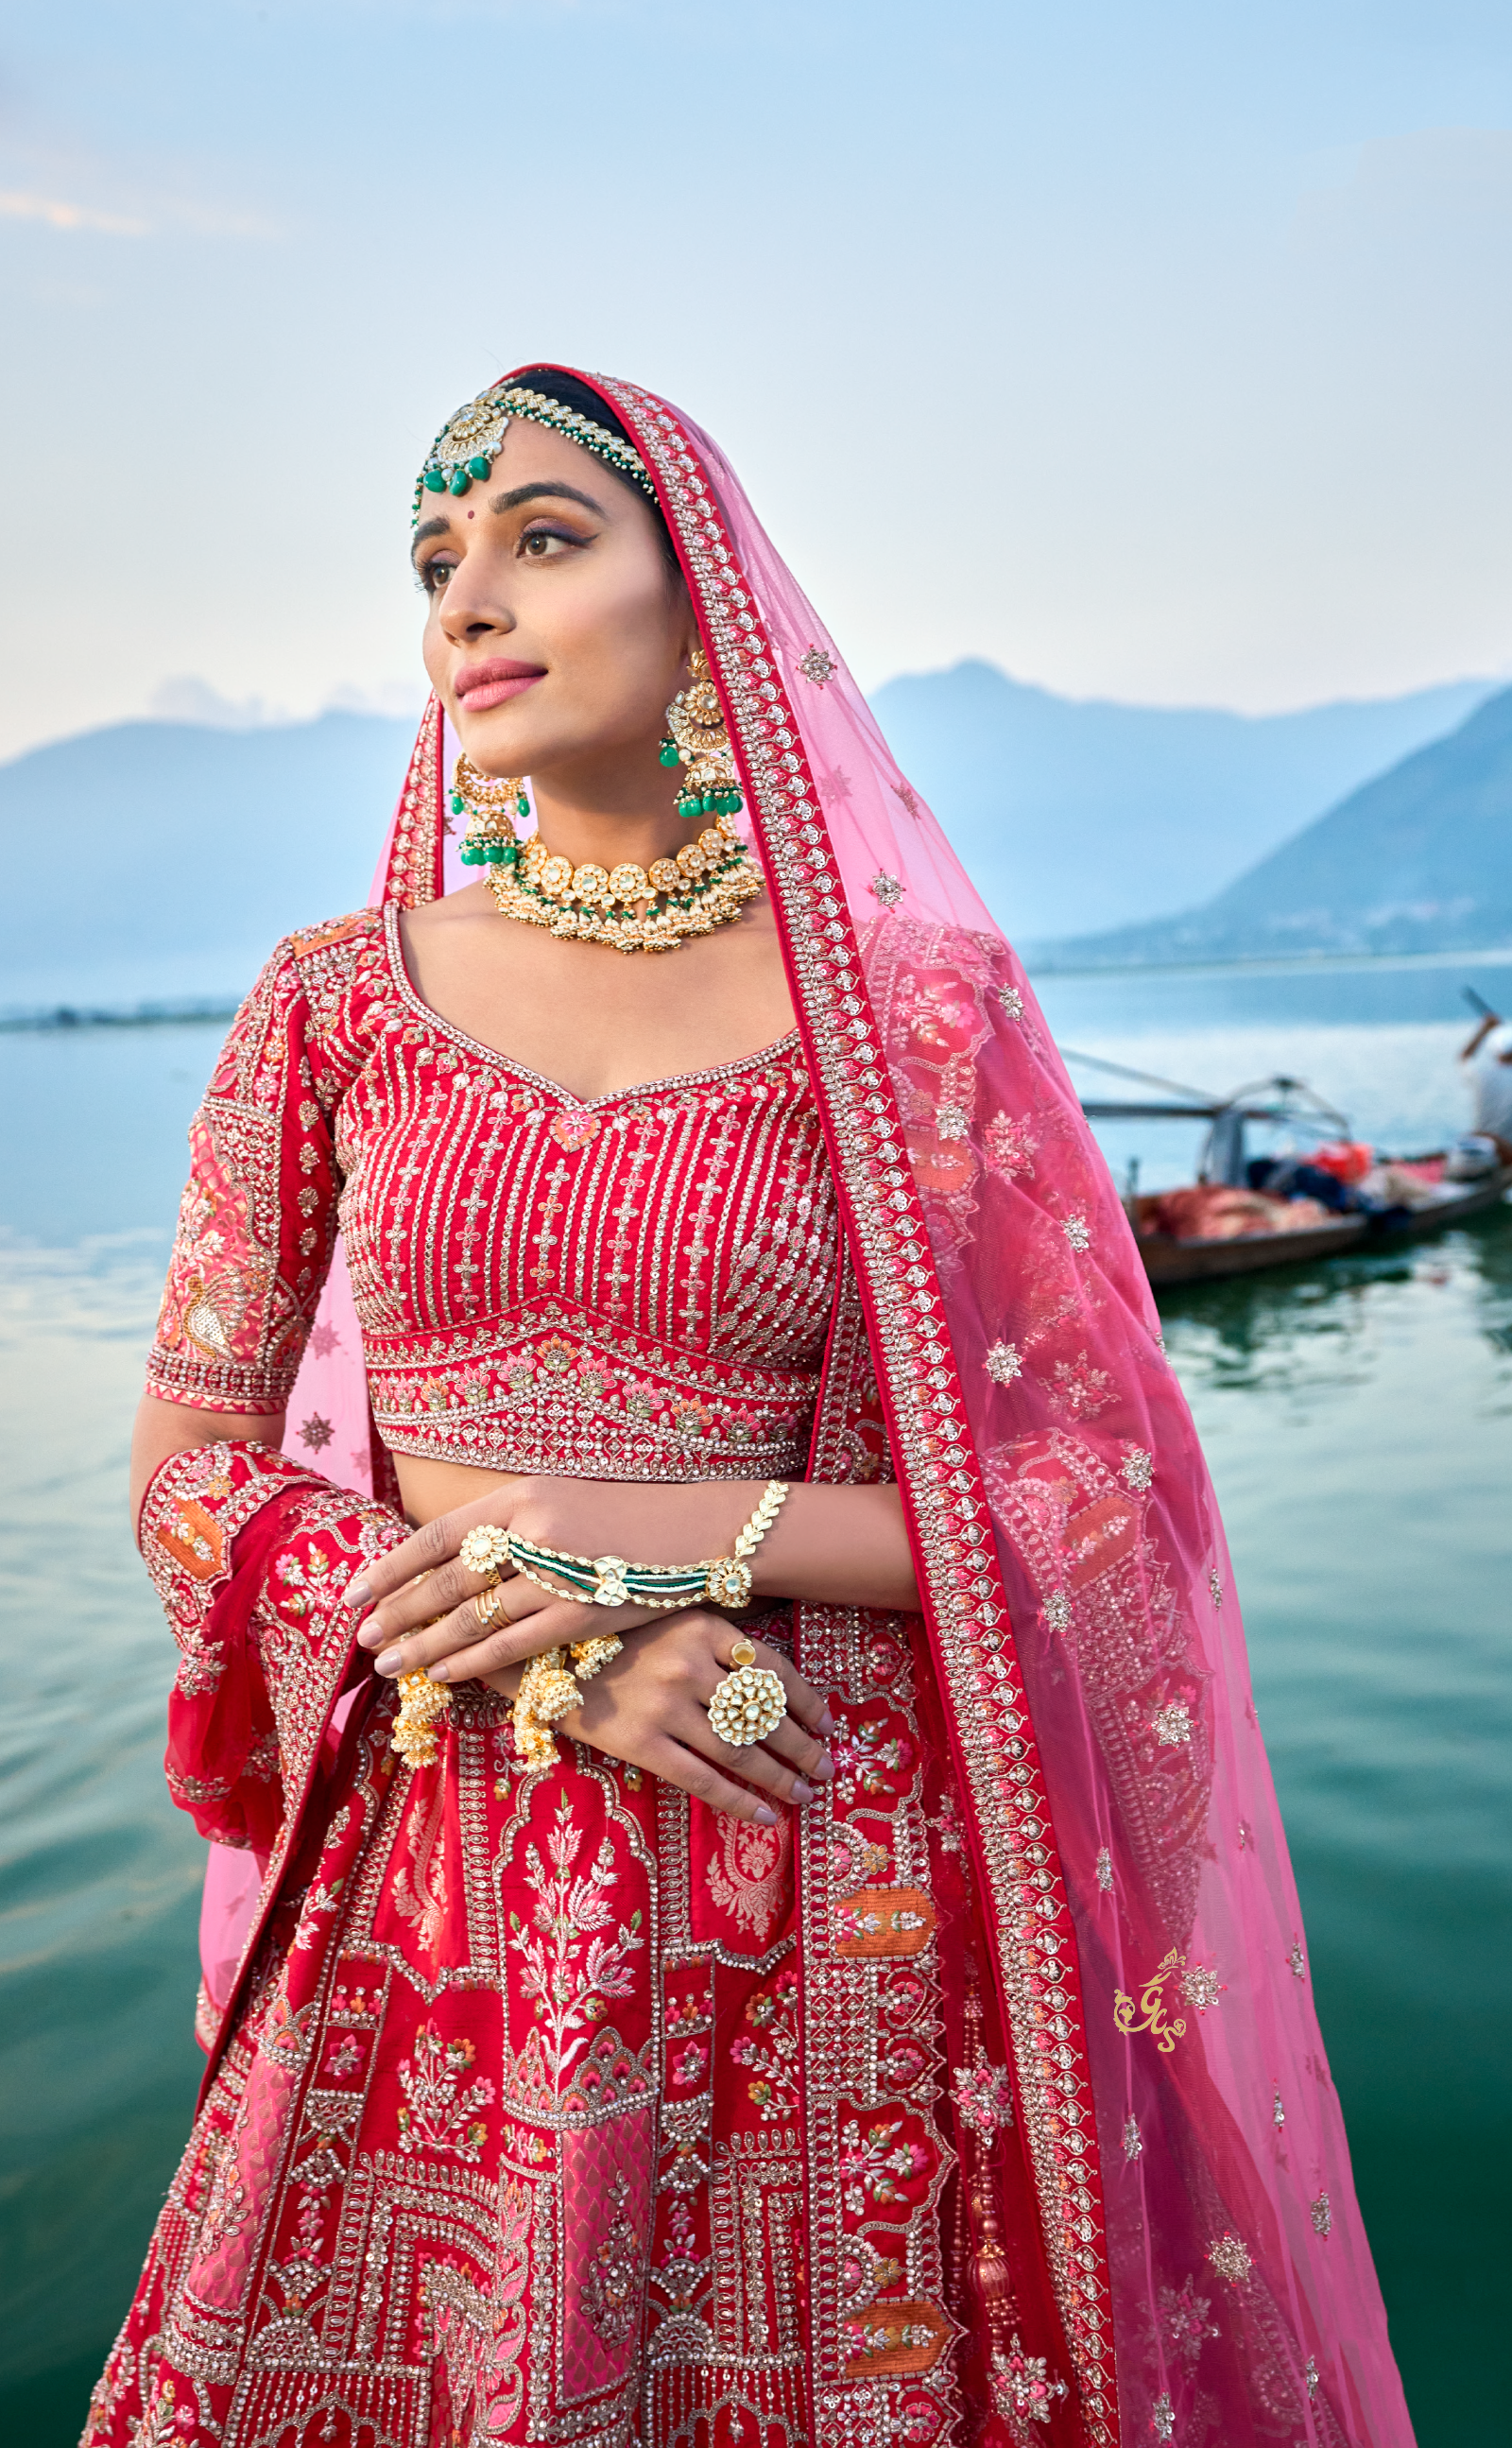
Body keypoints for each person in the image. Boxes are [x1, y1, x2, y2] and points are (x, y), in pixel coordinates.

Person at [84, 369, 1414, 2448]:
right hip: (434, 1881)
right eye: (434, 564)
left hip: (817, 1864)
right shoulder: (334, 1000)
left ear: (699, 594)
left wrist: (655, 1536)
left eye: (538, 536)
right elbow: (186, 1474)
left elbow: (1095, 1499)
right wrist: (503, 1608)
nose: (466, 601)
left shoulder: (915, 1012)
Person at [1457, 1006, 1512, 1163]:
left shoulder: (1480, 1073)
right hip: (1506, 1153)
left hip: (1480, 1145)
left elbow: (1464, 1057)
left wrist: (1485, 1029)